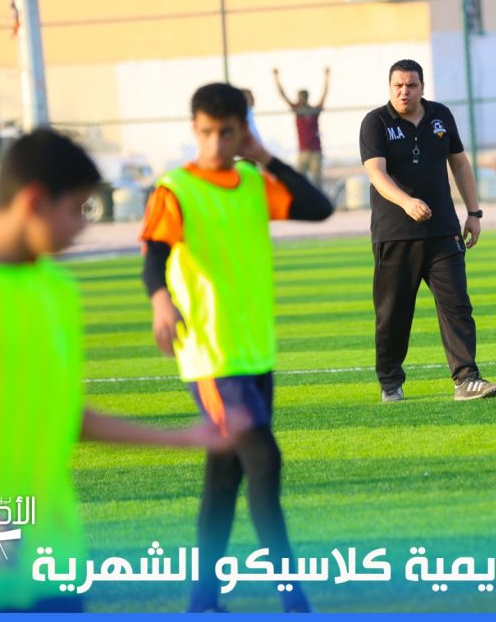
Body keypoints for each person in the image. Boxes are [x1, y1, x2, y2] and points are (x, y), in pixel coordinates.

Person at [0, 129, 237, 613]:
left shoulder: (59, 289)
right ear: (34, 202)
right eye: (77, 209)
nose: (82, 226)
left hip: (53, 552)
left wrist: (181, 438)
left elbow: (64, 413)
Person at [140, 82, 333, 613]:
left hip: (255, 354)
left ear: (242, 131)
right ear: (194, 128)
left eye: (227, 132)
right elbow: (154, 257)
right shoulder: (175, 188)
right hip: (211, 356)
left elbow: (319, 207)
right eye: (206, 132)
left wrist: (264, 157)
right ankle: (294, 599)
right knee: (264, 460)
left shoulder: (252, 181)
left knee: (225, 479)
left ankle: (203, 599)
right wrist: (160, 300)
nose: (215, 143)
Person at [359, 59, 496, 403]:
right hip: (395, 234)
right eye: (398, 86)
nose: (404, 92)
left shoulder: (441, 116)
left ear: (422, 87)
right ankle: (390, 383)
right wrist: (406, 202)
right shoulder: (376, 122)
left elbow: (460, 164)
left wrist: (474, 213)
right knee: (393, 315)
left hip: (442, 232)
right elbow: (376, 173)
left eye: (411, 85)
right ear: (390, 88)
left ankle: (467, 380)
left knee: (457, 306)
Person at [273, 67, 329, 188]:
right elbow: (283, 95)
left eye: (301, 97)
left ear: (306, 98)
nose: (299, 99)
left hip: (315, 151)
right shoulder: (297, 110)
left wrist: (327, 77)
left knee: (316, 181)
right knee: (299, 180)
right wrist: (276, 77)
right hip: (303, 151)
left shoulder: (313, 111)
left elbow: (324, 95)